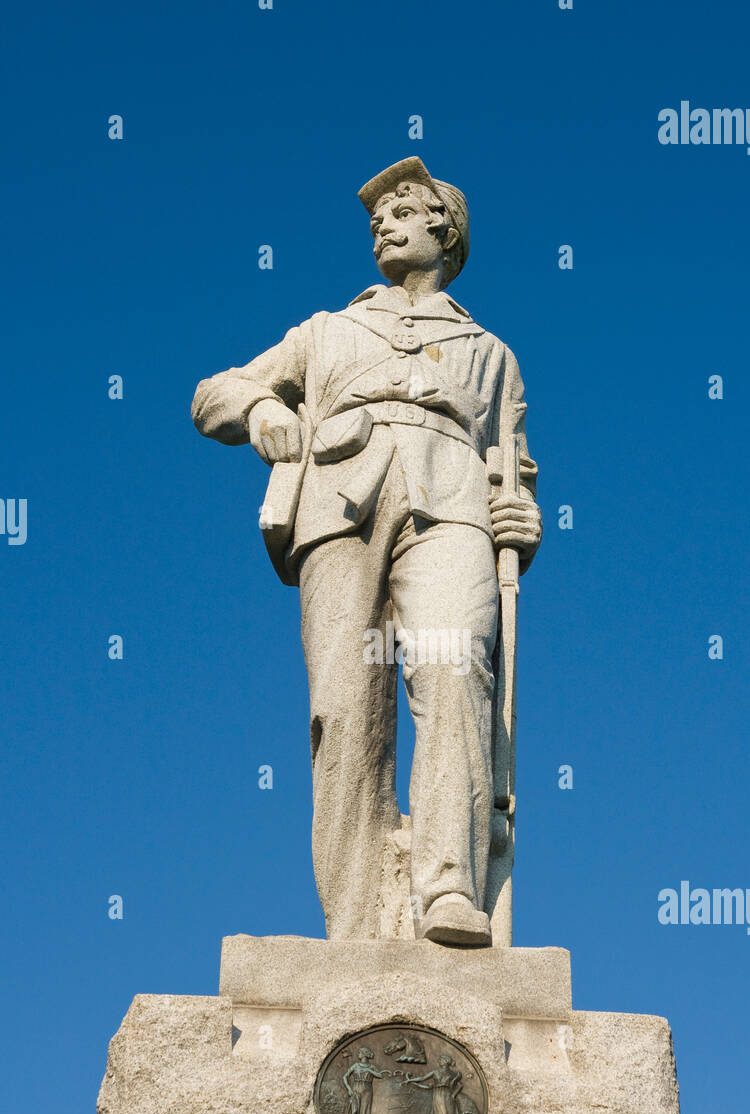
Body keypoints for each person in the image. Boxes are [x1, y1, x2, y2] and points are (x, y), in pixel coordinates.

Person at [192, 157, 542, 945]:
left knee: (458, 673)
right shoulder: (327, 330)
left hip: (452, 506)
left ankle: (450, 891)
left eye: (402, 211)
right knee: (345, 710)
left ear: (443, 231)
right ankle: (353, 923)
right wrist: (256, 411)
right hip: (339, 499)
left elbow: (512, 468)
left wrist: (523, 519)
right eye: (376, 217)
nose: (383, 223)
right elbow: (213, 394)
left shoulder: (492, 352)